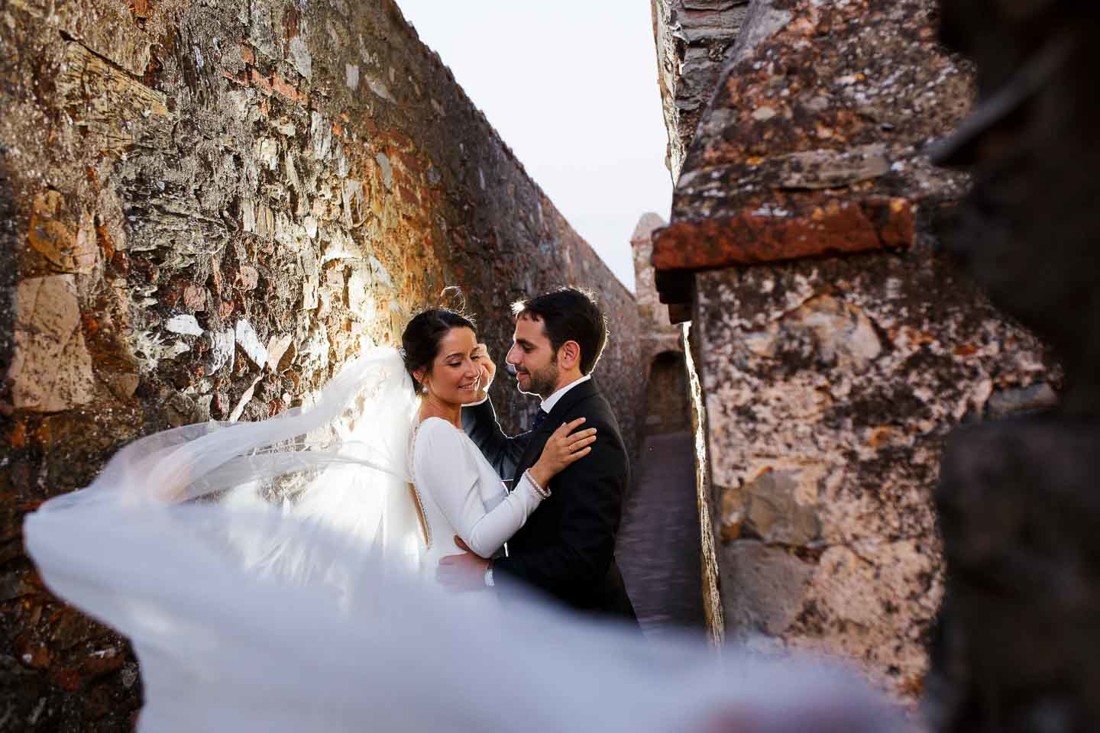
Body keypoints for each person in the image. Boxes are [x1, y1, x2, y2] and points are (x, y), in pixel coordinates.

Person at [440, 287, 637, 621]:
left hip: (589, 645)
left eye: (526, 347)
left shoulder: (587, 429)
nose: (511, 357)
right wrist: (474, 395)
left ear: (568, 355)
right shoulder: (565, 415)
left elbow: (585, 559)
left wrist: (489, 574)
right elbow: (502, 457)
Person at [400, 307, 597, 568]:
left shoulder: (443, 430)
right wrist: (539, 473)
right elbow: (480, 539)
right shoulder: (438, 434)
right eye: (456, 362)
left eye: (474, 356)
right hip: (463, 590)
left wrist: (478, 395)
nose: (473, 371)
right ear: (421, 373)